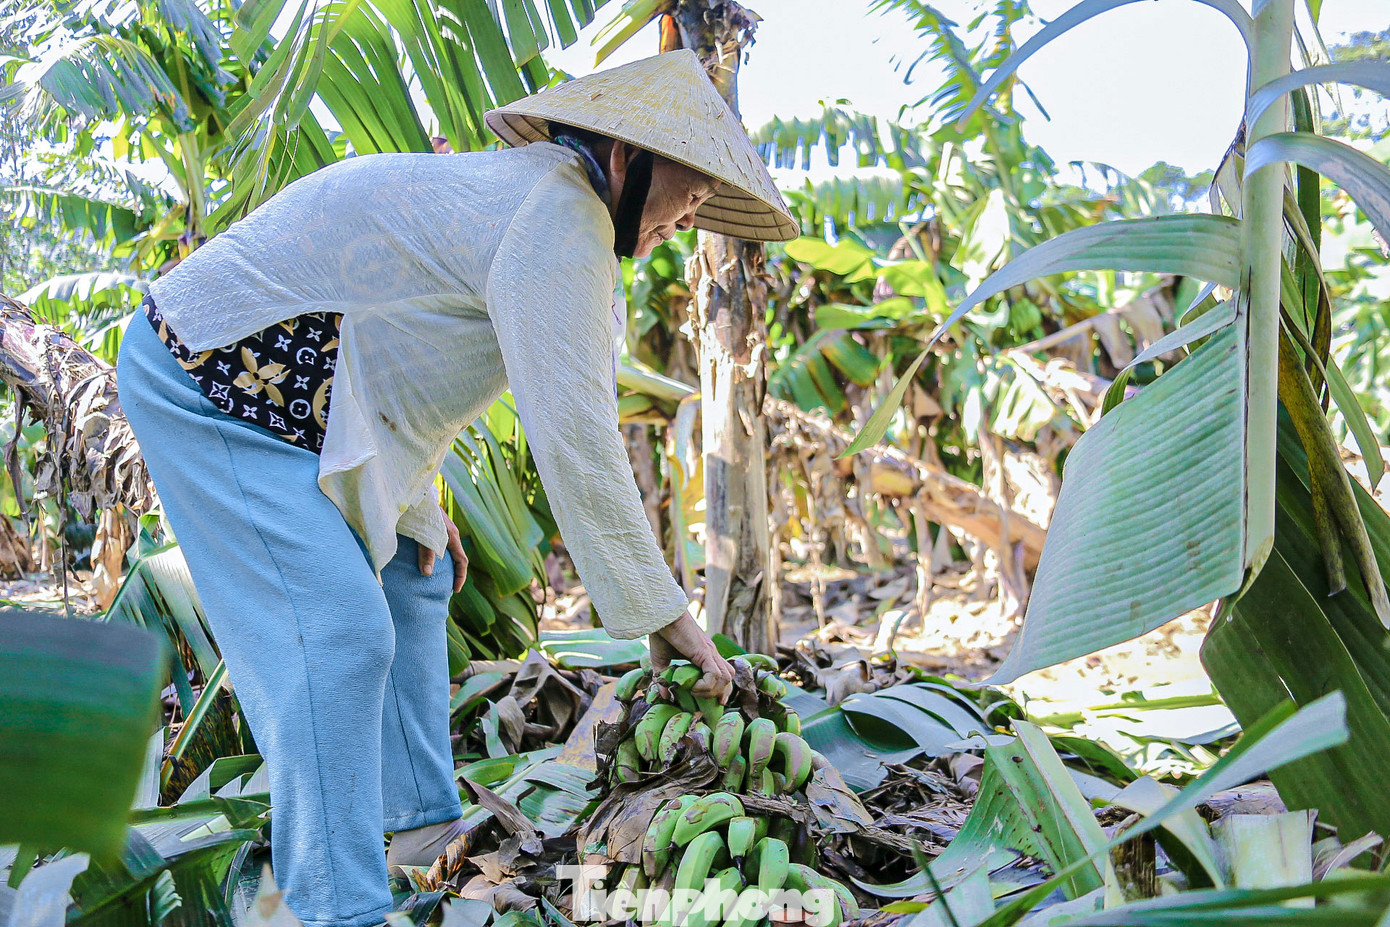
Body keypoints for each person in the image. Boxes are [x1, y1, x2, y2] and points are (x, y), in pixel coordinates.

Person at [115, 49, 797, 926]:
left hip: (309, 391)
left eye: (707, 195)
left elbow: (409, 353)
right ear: (625, 160)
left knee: (420, 568)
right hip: (210, 376)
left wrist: (421, 510)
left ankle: (414, 827)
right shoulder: (561, 216)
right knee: (335, 636)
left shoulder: (533, 201)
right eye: (688, 187)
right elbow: (576, 435)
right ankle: (335, 905)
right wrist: (667, 617)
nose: (692, 210)